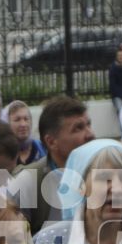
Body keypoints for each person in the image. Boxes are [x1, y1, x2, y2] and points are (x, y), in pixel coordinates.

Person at [15, 94, 96, 232]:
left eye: (88, 125)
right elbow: (13, 243)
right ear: (52, 142)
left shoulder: (106, 173)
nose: (90, 134)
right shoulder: (28, 183)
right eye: (78, 128)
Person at [6, 98, 45, 166]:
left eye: (26, 119)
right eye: (17, 120)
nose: (23, 124)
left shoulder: (42, 148)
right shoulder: (2, 153)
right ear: (7, 123)